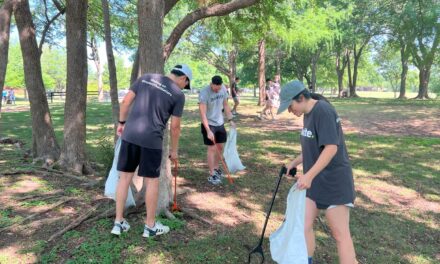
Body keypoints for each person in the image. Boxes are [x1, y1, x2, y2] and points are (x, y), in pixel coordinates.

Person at [278, 80, 356, 264]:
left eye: (290, 106)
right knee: (303, 225)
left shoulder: (323, 111)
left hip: (334, 181)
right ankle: (306, 260)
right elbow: (312, 146)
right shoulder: (308, 113)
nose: (290, 111)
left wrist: (308, 175)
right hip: (314, 182)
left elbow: (330, 148)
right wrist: (294, 162)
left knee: (340, 235)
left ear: (302, 98)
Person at [112, 64, 192, 238]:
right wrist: (174, 150)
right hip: (152, 141)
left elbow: (125, 102)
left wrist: (122, 123)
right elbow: (175, 127)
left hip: (130, 136)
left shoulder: (146, 77)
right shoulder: (178, 95)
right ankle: (150, 226)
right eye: (186, 84)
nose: (184, 87)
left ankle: (118, 222)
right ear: (183, 78)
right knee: (152, 182)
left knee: (124, 177)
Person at [199, 75, 235, 185]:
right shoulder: (204, 93)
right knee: (212, 148)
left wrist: (230, 119)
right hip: (209, 124)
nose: (217, 90)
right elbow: (203, 114)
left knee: (220, 147)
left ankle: (216, 168)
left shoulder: (223, 89)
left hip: (220, 122)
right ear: (212, 84)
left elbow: (225, 105)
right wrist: (208, 130)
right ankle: (212, 174)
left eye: (219, 88)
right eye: (216, 88)